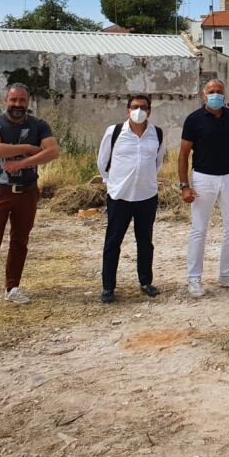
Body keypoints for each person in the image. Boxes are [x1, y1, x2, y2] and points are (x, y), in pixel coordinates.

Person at [0, 83, 60, 317]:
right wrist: (28, 147)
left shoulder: (39, 125)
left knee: (20, 242)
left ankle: (12, 287)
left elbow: (53, 151)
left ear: (28, 102)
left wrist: (22, 162)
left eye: (22, 101)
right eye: (13, 100)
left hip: (27, 192)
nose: (17, 105)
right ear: (5, 100)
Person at [178, 79, 229, 297]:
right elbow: (183, 155)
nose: (216, 95)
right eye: (211, 91)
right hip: (203, 178)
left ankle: (227, 274)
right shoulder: (194, 120)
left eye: (219, 91)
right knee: (199, 229)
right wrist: (185, 186)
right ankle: (194, 279)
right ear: (204, 95)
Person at [96, 94, 166, 304]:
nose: (139, 111)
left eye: (143, 107)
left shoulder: (158, 134)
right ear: (128, 110)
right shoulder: (115, 132)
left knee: (145, 241)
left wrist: (145, 181)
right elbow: (102, 162)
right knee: (113, 242)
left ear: (149, 111)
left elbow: (158, 162)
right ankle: (108, 287)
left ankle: (146, 282)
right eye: (134, 107)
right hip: (120, 196)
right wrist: (113, 184)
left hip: (146, 196)